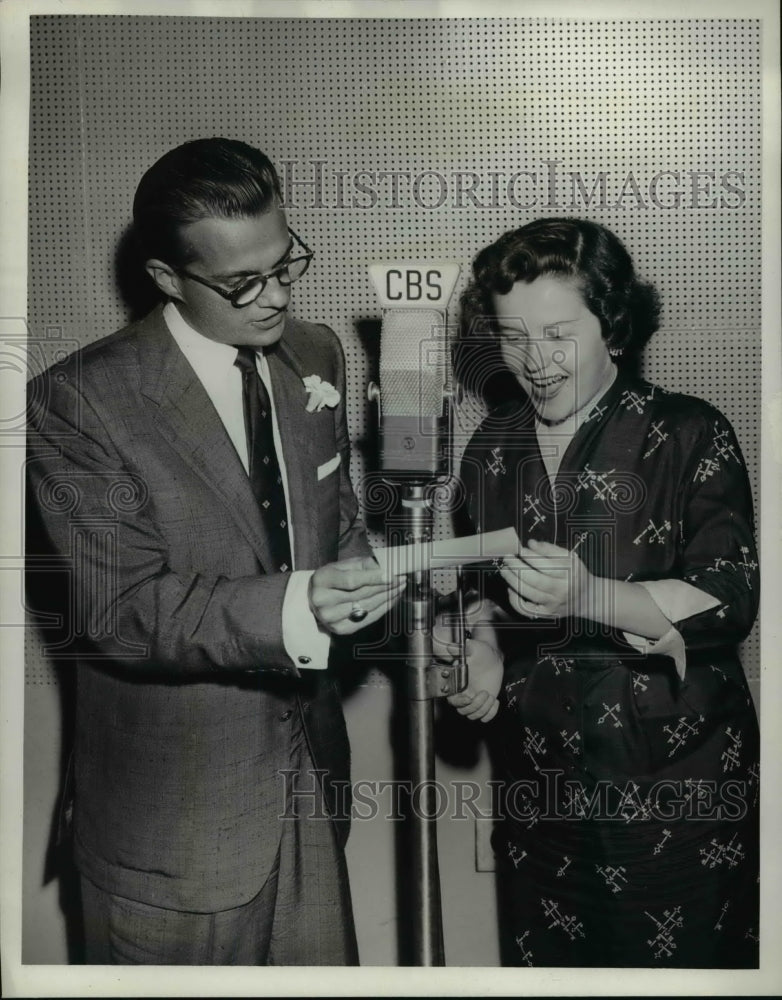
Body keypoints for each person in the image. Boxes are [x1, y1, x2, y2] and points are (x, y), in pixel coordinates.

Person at [26, 137, 404, 966]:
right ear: (167, 278)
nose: (277, 298)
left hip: (312, 785)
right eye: (242, 283)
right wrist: (298, 604)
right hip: (173, 829)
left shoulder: (315, 354)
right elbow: (124, 611)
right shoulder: (78, 402)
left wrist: (394, 606)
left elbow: (335, 521)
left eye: (285, 264)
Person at [437, 218, 759, 967]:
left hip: (677, 802)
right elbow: (485, 593)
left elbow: (727, 599)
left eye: (558, 334)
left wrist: (588, 595)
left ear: (612, 325)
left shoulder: (689, 432)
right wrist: (483, 646)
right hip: (540, 796)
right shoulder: (492, 448)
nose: (535, 362)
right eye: (512, 337)